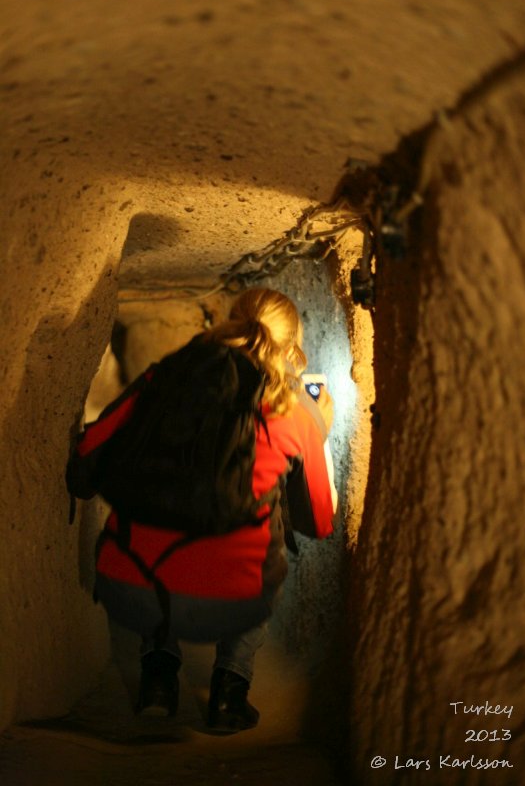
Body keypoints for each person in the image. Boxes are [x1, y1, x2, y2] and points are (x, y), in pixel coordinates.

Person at [70, 287, 336, 731]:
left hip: (131, 585)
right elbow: (319, 522)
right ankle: (230, 691)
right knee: (261, 529)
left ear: (230, 324)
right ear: (291, 347)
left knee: (156, 518)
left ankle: (157, 677)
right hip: (233, 599)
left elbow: (89, 453)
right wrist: (317, 433)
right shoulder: (297, 411)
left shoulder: (165, 378)